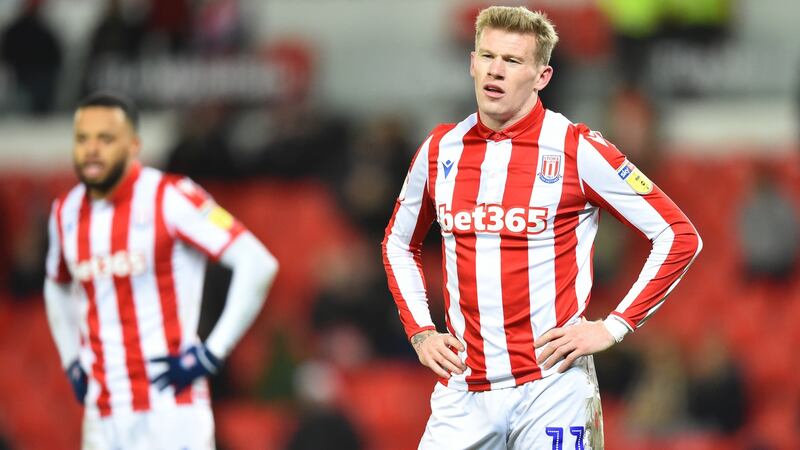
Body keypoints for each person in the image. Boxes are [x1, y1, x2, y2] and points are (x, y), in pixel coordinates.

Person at [381, 6, 701, 449]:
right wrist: (419, 329)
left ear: (542, 76)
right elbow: (399, 243)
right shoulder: (439, 150)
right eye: (487, 56)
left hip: (553, 388)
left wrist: (613, 326)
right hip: (464, 390)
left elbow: (679, 235)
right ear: (471, 63)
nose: (496, 71)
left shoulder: (577, 148)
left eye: (512, 61)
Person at [43, 92, 278, 449]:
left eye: (105, 138)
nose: (92, 149)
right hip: (102, 412)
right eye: (82, 139)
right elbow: (56, 283)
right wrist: (71, 359)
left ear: (134, 145)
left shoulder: (173, 197)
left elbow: (258, 263)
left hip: (172, 408)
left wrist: (212, 352)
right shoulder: (66, 212)